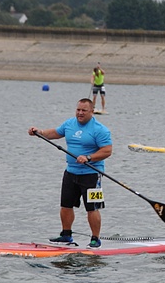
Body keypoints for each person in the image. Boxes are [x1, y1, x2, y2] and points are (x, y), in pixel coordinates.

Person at [28, 98, 112, 248]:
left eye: (84, 110)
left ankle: (95, 239)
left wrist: (88, 157)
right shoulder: (69, 124)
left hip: (92, 174)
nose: (80, 113)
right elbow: (55, 133)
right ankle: (66, 235)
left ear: (92, 111)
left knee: (92, 208)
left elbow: (107, 151)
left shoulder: (100, 129)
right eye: (78, 110)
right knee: (65, 205)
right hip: (71, 172)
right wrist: (39, 132)